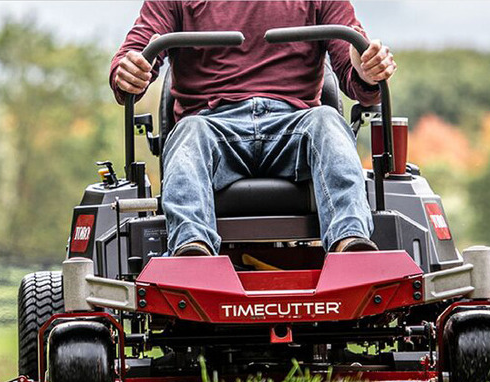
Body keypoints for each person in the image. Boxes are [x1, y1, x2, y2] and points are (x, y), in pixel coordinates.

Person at [109, 1, 396, 256]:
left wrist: (366, 70)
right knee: (189, 130)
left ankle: (350, 242)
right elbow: (135, 52)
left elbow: (355, 70)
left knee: (327, 120)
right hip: (213, 125)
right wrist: (129, 69)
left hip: (294, 124)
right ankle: (191, 248)